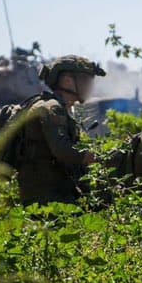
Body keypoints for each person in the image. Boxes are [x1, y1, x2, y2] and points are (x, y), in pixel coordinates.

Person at [14, 55, 105, 205]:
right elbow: (63, 151)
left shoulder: (61, 108)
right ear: (68, 81)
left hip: (57, 193)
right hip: (48, 198)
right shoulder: (52, 108)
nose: (90, 87)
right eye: (85, 81)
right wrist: (100, 156)